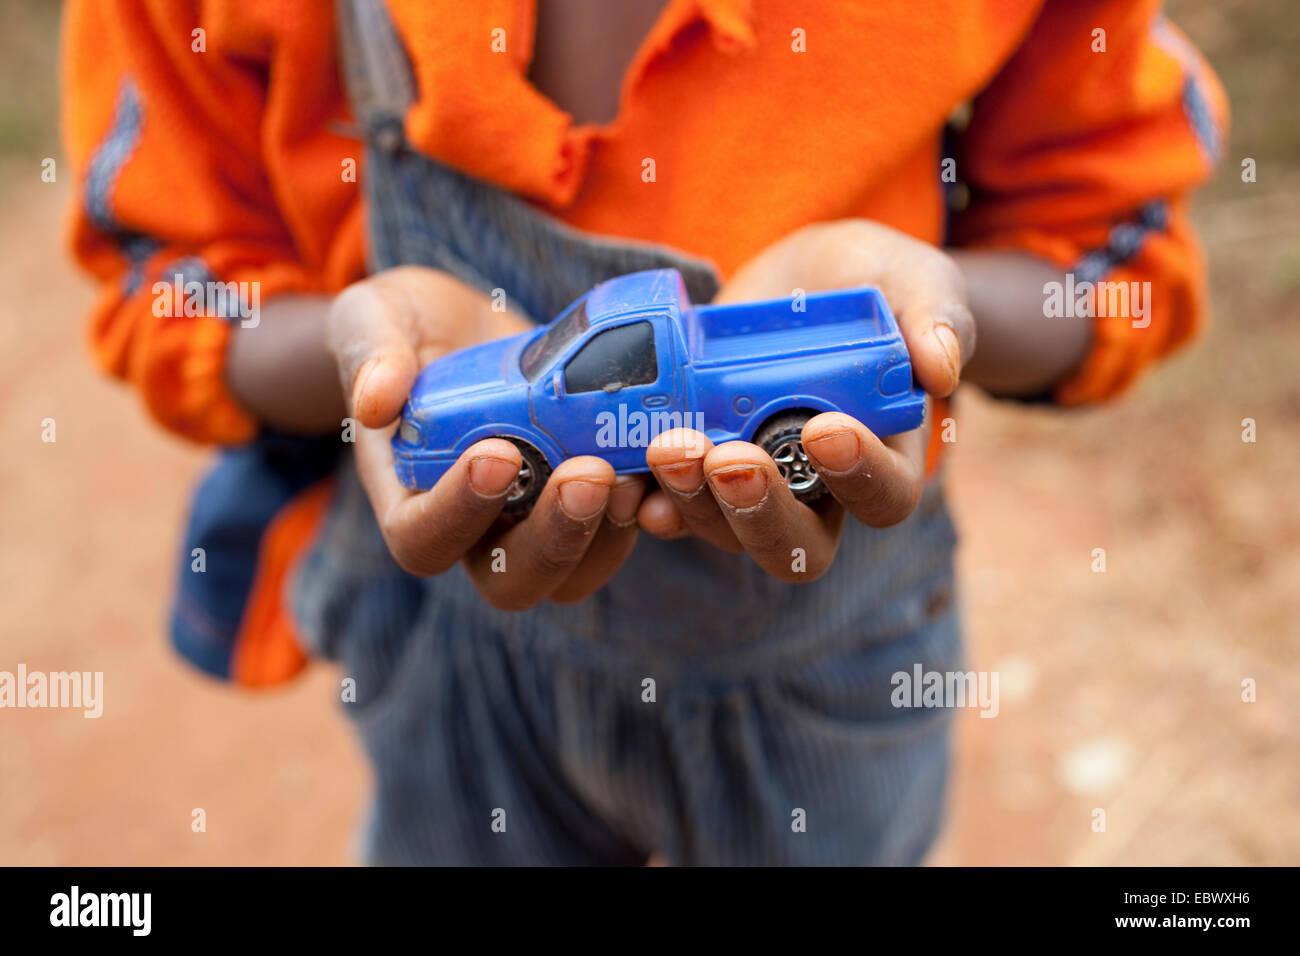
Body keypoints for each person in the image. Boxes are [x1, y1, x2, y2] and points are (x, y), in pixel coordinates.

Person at [63, 0, 1227, 864]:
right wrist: (355, 354)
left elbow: (1110, 243)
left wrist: (937, 315)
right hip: (444, 661)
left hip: (835, 655)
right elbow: (167, 275)